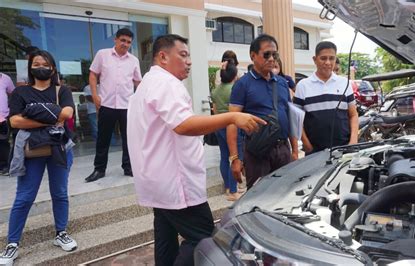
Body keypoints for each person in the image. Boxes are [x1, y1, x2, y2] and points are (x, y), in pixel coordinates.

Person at [127, 34, 265, 266]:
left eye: (189, 55)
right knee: (202, 240)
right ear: (162, 57)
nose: (189, 61)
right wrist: (232, 117)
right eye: (183, 55)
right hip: (176, 182)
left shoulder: (147, 85)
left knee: (165, 237)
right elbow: (182, 125)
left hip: (157, 180)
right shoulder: (166, 84)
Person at [0, 50, 77, 265]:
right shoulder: (20, 93)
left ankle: (61, 232)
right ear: (30, 67)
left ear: (52, 68)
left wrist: (32, 113)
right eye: (36, 63)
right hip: (31, 151)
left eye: (45, 63)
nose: (41, 66)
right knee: (24, 196)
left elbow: (67, 114)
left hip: (59, 148)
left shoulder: (62, 90)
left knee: (60, 193)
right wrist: (52, 116)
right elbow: (15, 122)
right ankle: (12, 243)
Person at [227, 34, 299, 189]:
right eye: (266, 54)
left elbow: (290, 116)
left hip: (282, 149)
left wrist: (294, 150)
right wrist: (235, 158)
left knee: (284, 194)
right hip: (257, 152)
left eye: (275, 54)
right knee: (257, 196)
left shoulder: (281, 83)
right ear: (253, 56)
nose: (272, 58)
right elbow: (231, 123)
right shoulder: (242, 85)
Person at [85, 28, 142, 183]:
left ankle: (129, 167)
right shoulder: (102, 55)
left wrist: (141, 100)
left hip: (127, 106)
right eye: (123, 40)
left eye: (129, 42)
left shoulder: (133, 60)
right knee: (103, 139)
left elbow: (138, 82)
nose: (125, 44)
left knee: (129, 139)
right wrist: (95, 95)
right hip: (107, 104)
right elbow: (93, 74)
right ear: (115, 40)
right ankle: (99, 169)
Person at [294, 41, 358, 154]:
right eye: (323, 58)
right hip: (315, 152)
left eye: (331, 58)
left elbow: (353, 114)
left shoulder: (345, 83)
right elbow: (296, 120)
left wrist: (353, 141)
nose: (328, 62)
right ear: (315, 59)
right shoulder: (303, 86)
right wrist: (307, 144)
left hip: (344, 148)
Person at [211, 55, 244, 201]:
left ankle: (227, 187)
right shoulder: (235, 89)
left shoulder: (216, 91)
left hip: (219, 125)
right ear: (234, 75)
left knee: (224, 157)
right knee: (235, 157)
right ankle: (233, 191)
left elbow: (215, 109)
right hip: (233, 126)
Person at [0, 73, 15, 175]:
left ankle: (4, 167)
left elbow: (13, 93)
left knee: (3, 143)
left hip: (3, 117)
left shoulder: (5, 78)